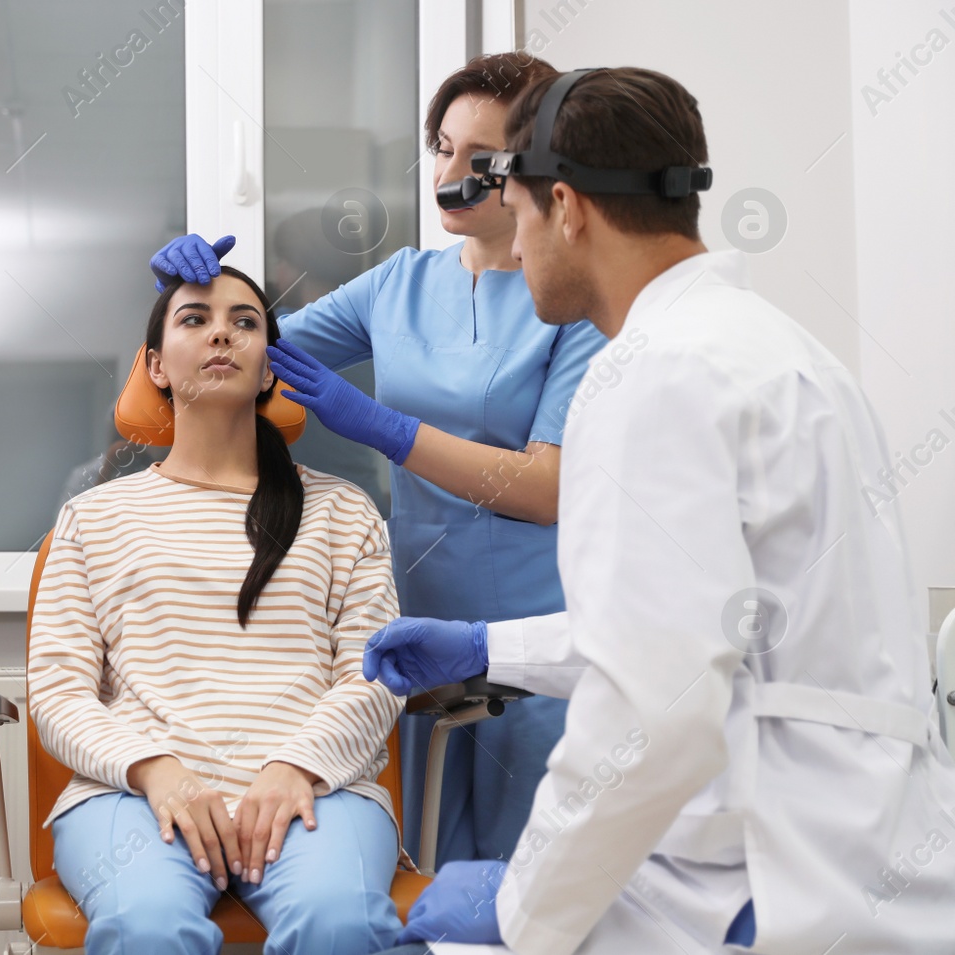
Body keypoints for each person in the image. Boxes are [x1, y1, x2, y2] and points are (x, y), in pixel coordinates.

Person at [367, 67, 955, 954]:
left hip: (764, 883)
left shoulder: (651, 376)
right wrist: (494, 647)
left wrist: (524, 904)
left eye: (520, 217)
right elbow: (703, 627)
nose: (517, 251)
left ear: (565, 206)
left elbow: (654, 704)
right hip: (860, 850)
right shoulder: (780, 351)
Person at [151, 52, 609, 866]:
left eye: (478, 160)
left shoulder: (571, 304)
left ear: (536, 168)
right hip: (417, 640)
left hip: (539, 647)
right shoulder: (396, 284)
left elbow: (547, 488)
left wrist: (385, 428)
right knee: (427, 881)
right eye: (439, 148)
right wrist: (196, 303)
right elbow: (236, 361)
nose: (449, 174)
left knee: (537, 896)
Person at [29, 266, 407, 955]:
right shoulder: (94, 517)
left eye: (245, 321)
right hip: (138, 798)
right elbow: (58, 693)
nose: (222, 334)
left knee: (340, 923)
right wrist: (157, 768)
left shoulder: (341, 510)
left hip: (313, 790)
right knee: (149, 926)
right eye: (195, 319)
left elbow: (373, 676)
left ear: (269, 369)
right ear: (156, 366)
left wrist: (295, 766)